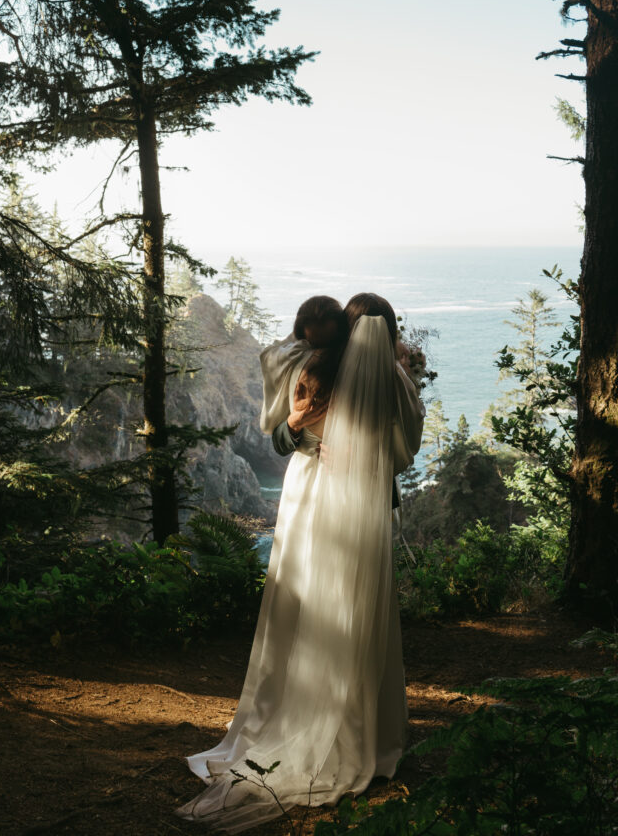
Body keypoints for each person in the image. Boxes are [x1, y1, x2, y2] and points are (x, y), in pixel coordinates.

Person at [177, 293, 425, 832]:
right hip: (362, 508)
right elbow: (406, 451)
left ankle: (295, 712)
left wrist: (303, 427)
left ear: (343, 327)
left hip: (310, 497)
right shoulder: (395, 382)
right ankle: (368, 734)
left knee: (304, 599)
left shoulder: (307, 366)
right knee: (358, 607)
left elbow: (280, 435)